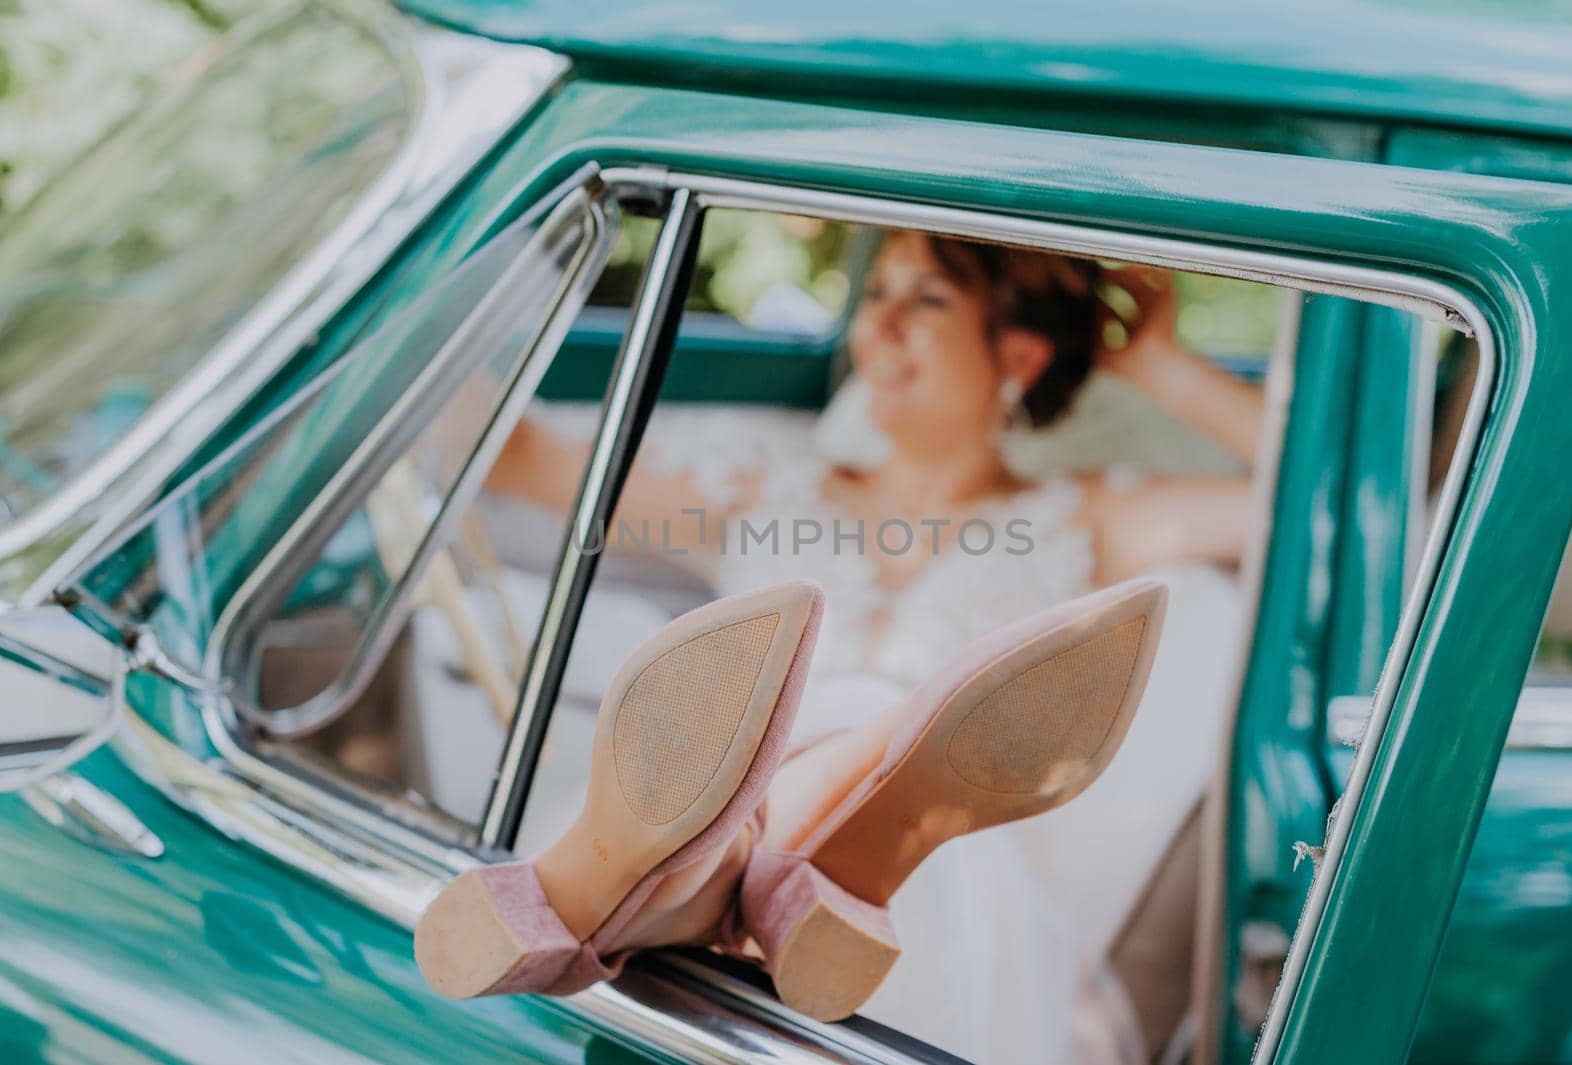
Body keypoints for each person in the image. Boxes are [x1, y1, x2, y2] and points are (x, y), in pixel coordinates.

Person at [470, 229, 1265, 1058]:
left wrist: (1160, 365)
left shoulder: (1087, 520)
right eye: (875, 293)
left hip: (945, 900)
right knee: (791, 754)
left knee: (868, 713)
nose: (876, 327)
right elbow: (515, 458)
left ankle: (613, 885)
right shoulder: (766, 483)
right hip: (765, 853)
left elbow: (1324, 517)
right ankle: (774, 880)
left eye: (924, 302)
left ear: (1019, 356)